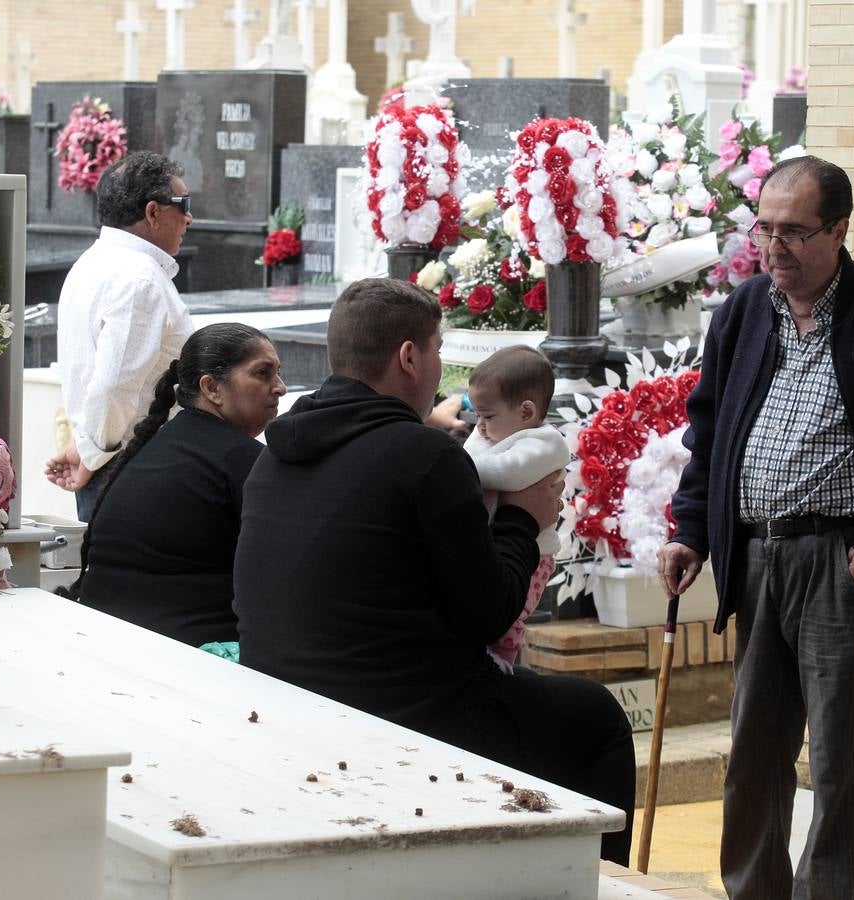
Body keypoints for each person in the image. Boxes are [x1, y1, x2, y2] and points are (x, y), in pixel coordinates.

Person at [656, 156, 854, 900]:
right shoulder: (742, 312)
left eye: (795, 233)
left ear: (839, 230)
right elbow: (713, 438)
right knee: (752, 752)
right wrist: (691, 531)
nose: (775, 248)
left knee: (836, 758)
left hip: (844, 562)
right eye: (765, 230)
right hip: (759, 555)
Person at [233, 278, 635, 864]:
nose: (440, 364)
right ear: (409, 356)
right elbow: (488, 612)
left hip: (284, 699)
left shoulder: (276, 454)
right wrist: (523, 519)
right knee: (594, 718)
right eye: (439, 349)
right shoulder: (425, 456)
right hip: (401, 715)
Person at [69, 323, 285, 653]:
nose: (280, 388)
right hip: (188, 655)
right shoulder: (246, 461)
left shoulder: (152, 447)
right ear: (212, 387)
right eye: (263, 373)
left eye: (278, 373)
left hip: (106, 638)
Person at [46, 150, 196, 521]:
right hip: (129, 465)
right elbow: (116, 383)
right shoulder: (138, 278)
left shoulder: (95, 261)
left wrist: (89, 450)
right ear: (152, 212)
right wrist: (91, 453)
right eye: (183, 204)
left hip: (109, 457)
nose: (189, 217)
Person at [463, 346, 569, 671]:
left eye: (488, 415)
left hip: (535, 553)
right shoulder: (491, 435)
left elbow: (510, 472)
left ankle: (504, 658)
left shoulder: (545, 442)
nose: (479, 425)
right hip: (495, 542)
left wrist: (455, 468)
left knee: (516, 610)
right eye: (477, 415)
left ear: (525, 412)